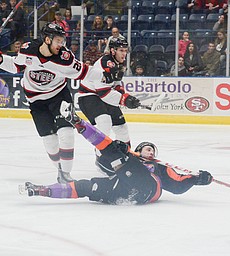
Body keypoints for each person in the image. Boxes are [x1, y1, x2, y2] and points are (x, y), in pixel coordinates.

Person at [21, 101, 213, 205]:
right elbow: (105, 165)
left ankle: (78, 123)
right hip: (123, 190)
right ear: (138, 150)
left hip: (147, 188)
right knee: (87, 187)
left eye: (153, 150)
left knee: (113, 150)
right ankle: (42, 190)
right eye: (147, 148)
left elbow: (177, 186)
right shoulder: (129, 156)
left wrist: (196, 179)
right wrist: (123, 152)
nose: (151, 151)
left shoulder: (158, 167)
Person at [0, 23, 93, 183]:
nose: (61, 44)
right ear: (48, 39)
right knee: (50, 141)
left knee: (67, 133)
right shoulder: (28, 50)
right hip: (36, 100)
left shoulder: (65, 57)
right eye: (58, 40)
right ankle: (60, 171)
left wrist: (107, 76)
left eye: (63, 41)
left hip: (59, 95)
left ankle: (66, 175)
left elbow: (84, 71)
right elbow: (15, 66)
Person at [78, 38, 140, 147]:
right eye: (121, 50)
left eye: (126, 51)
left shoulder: (119, 62)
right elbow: (103, 93)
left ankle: (126, 153)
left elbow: (116, 84)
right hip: (88, 96)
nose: (124, 54)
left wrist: (124, 96)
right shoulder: (105, 63)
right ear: (113, 50)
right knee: (104, 122)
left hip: (103, 95)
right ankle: (101, 154)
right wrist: (124, 100)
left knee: (122, 127)